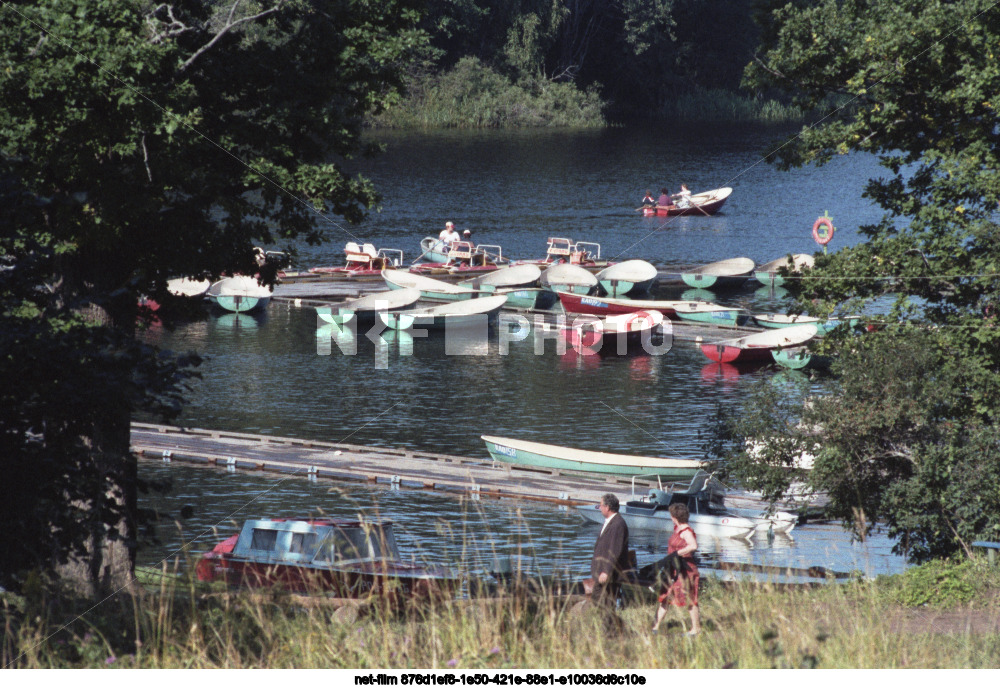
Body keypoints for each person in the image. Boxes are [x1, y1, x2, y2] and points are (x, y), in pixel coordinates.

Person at [651, 502, 701, 636]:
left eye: (671, 515)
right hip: (673, 569)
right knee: (665, 595)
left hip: (686, 570)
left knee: (690, 598)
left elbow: (693, 546)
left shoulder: (686, 531)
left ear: (674, 516)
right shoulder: (677, 528)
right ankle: (655, 627)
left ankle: (696, 629)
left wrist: (677, 553)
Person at [590, 493, 630, 608]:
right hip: (603, 571)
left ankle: (603, 622)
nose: (599, 508)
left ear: (607, 507)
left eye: (600, 505)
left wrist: (606, 571)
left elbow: (615, 550)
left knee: (601, 601)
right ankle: (604, 622)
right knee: (602, 601)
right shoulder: (611, 521)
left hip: (608, 573)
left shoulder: (617, 524)